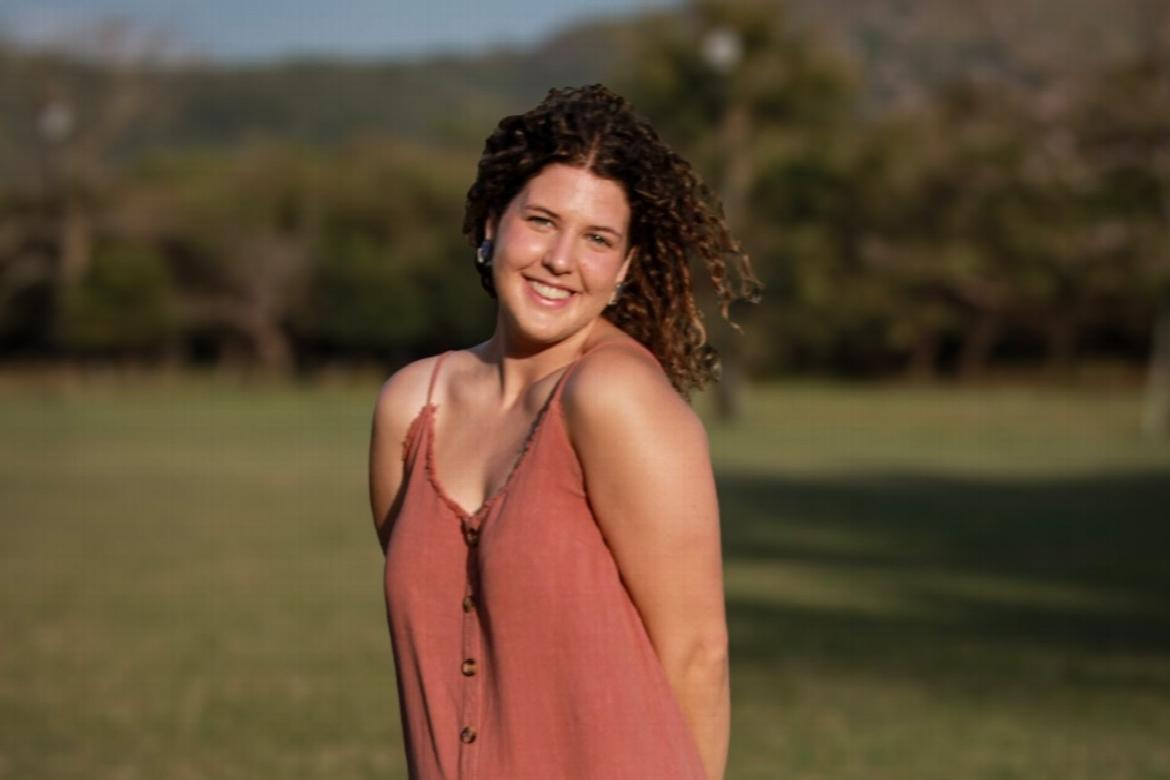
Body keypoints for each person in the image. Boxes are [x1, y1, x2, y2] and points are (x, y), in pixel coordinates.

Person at [369, 84, 758, 779]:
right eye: (542, 221)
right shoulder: (411, 405)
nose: (560, 258)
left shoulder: (615, 398)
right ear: (493, 224)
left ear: (625, 266)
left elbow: (698, 653)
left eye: (597, 238)